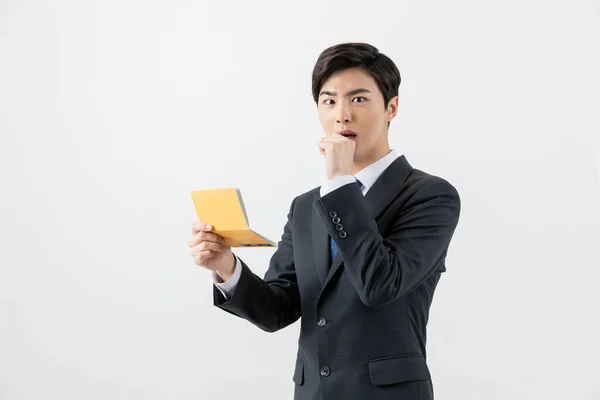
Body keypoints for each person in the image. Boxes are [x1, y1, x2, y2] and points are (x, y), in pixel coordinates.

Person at [188, 42, 461, 400]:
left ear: (391, 107)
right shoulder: (306, 206)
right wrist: (227, 267)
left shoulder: (429, 195)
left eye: (358, 99)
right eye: (329, 101)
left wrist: (338, 182)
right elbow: (278, 309)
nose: (342, 115)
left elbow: (380, 284)